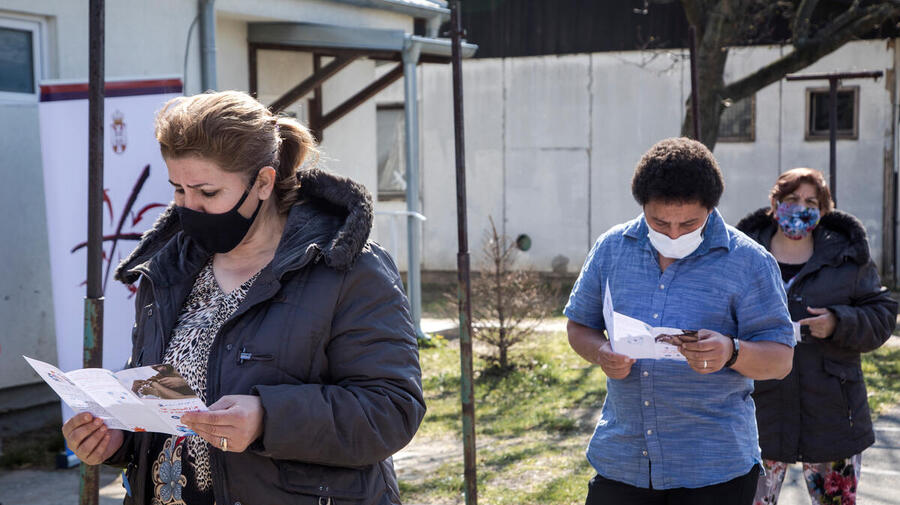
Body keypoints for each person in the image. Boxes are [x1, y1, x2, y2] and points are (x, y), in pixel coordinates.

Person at [60, 90, 426, 505]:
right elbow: (162, 393)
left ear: (264, 182)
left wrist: (268, 418)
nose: (188, 208)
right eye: (178, 190)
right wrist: (118, 434)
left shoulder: (347, 268)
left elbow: (392, 410)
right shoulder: (169, 269)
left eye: (207, 192)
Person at [565, 137, 795, 505]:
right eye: (659, 222)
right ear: (643, 207)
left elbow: (781, 360)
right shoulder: (612, 248)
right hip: (623, 461)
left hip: (714, 469)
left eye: (688, 223)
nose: (673, 233)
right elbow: (579, 325)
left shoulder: (749, 261)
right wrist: (601, 352)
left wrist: (731, 352)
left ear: (710, 209)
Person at [737, 168, 897, 505]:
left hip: (834, 416)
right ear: (775, 203)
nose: (800, 208)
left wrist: (839, 322)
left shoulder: (848, 256)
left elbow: (882, 314)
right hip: (758, 415)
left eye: (811, 201)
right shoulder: (744, 256)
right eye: (792, 199)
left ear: (824, 210)